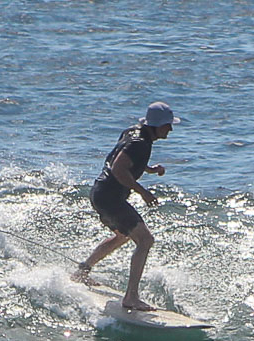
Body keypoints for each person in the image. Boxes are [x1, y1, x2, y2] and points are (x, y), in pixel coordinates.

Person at [74, 101, 181, 311]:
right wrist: (143, 192)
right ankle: (131, 297)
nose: (171, 129)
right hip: (111, 197)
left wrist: (149, 169)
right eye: (168, 125)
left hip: (101, 193)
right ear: (157, 126)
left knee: (122, 236)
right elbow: (118, 168)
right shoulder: (140, 142)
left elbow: (123, 157)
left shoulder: (133, 133)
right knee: (145, 240)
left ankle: (82, 272)